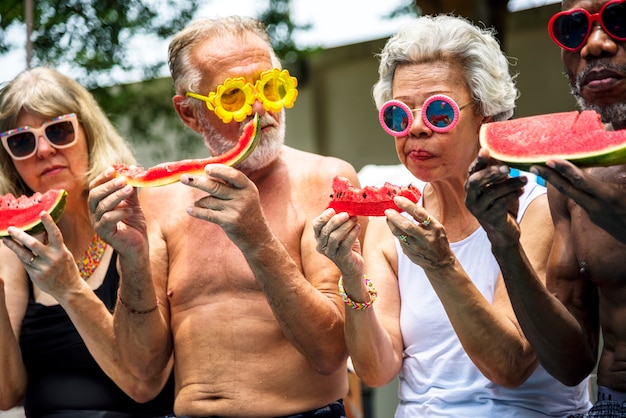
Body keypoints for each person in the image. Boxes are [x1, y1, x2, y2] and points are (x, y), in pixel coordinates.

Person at [312, 14, 591, 417]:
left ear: (487, 113)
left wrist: (440, 265)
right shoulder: (393, 224)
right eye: (399, 115)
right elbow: (377, 370)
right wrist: (352, 281)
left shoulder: (538, 208)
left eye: (439, 113)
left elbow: (509, 364)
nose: (417, 130)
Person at [88, 16, 364, 418]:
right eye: (233, 96)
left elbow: (331, 353)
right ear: (189, 113)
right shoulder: (161, 201)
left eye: (270, 88)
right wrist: (131, 260)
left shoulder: (325, 180)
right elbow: (142, 368)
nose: (259, 109)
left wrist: (256, 238)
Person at [465, 0, 626, 416]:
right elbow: (571, 364)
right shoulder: (573, 177)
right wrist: (505, 245)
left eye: (619, 19)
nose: (594, 45)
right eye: (573, 29)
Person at [0, 67, 175, 417]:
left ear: (89, 134)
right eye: (22, 141)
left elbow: (145, 383)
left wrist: (68, 288)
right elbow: (6, 395)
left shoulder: (138, 217)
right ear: (9, 160)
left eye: (59, 130)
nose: (45, 149)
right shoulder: (14, 249)